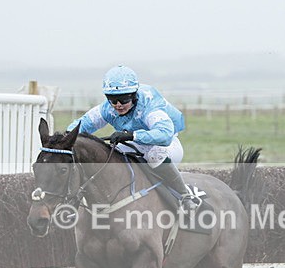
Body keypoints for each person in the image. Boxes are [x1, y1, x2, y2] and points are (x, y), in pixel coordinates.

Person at [66, 65, 199, 211]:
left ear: (134, 95)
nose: (118, 105)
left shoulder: (149, 105)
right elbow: (82, 124)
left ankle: (185, 196)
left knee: (154, 156)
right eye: (113, 99)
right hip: (134, 143)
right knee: (109, 155)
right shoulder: (107, 108)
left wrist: (132, 135)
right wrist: (64, 139)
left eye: (123, 99)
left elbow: (165, 135)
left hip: (165, 145)